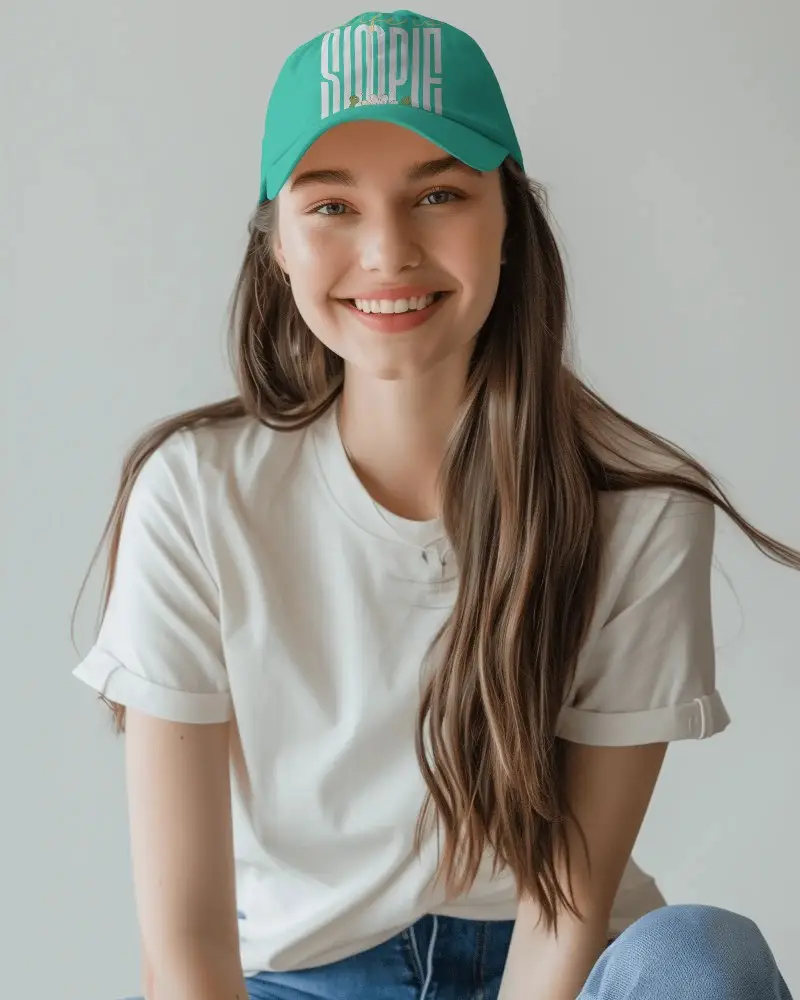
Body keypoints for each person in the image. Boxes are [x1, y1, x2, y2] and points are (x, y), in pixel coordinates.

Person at [72, 9, 798, 1000]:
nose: (387, 251)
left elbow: (565, 913)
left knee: (700, 958)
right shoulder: (197, 494)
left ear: (509, 220)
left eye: (439, 194)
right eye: (330, 206)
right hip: (296, 979)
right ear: (275, 242)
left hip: (553, 968)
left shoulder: (634, 510)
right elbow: (187, 948)